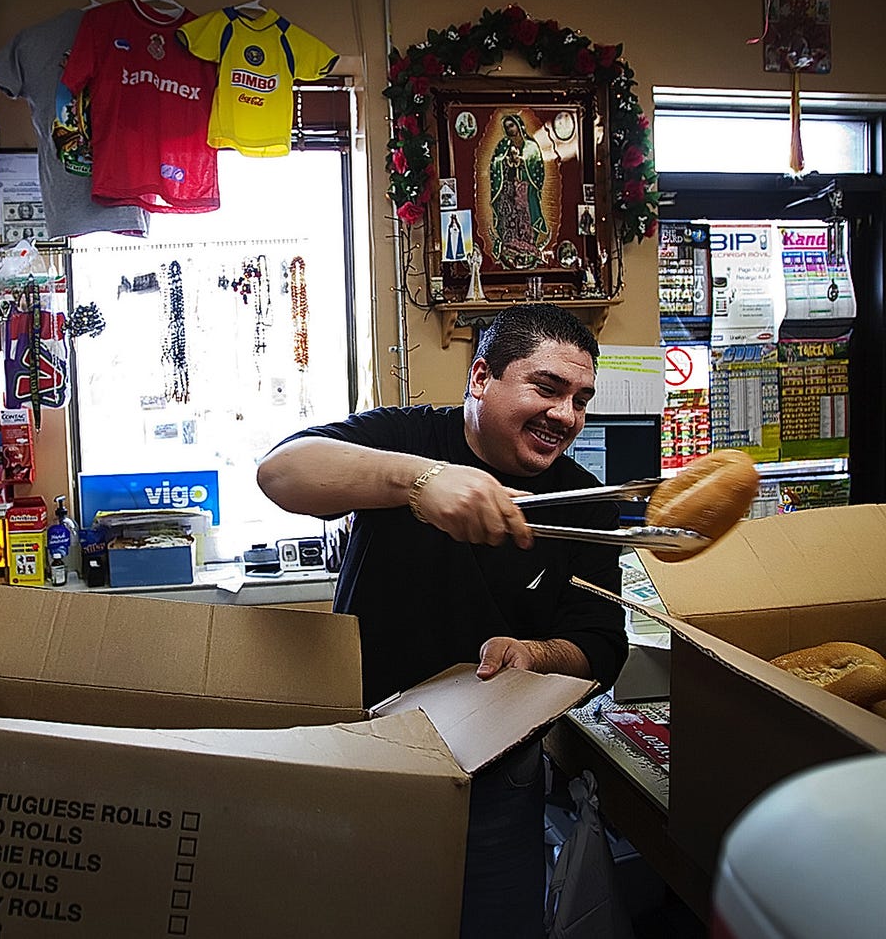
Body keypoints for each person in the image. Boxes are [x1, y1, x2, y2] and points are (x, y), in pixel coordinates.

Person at [256, 304, 625, 939]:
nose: (567, 415)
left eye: (580, 399)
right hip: (368, 753)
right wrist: (419, 482)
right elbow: (280, 472)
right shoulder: (406, 437)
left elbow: (601, 644)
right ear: (480, 377)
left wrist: (536, 655)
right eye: (546, 387)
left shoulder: (584, 502)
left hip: (496, 777)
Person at [488, 113, 549, 268]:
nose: (510, 129)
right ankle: (510, 247)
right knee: (510, 219)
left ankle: (527, 248)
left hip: (525, 190)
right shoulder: (503, 145)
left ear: (519, 125)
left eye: (512, 125)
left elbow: (537, 169)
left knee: (525, 218)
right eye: (507, 127)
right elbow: (495, 164)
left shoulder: (531, 146)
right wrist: (505, 162)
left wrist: (523, 163)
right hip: (508, 190)